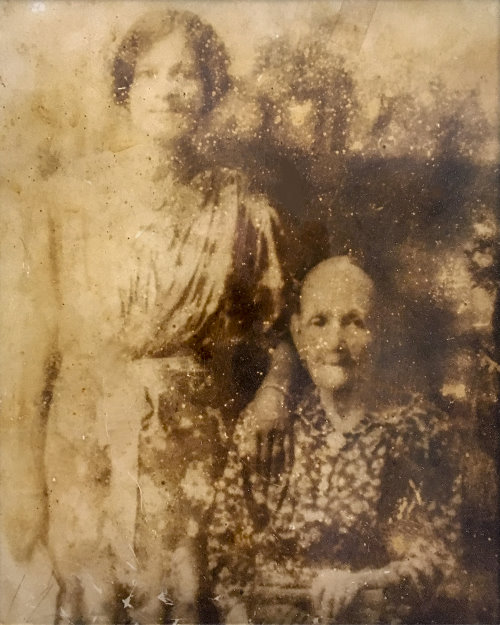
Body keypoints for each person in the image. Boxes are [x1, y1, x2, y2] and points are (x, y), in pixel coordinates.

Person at [1, 9, 291, 624]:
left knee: (180, 595)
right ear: (127, 88)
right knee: (92, 596)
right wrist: (19, 469)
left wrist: (274, 391)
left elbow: (276, 331)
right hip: (83, 426)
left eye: (186, 74)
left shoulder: (237, 201)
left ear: (210, 89)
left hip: (186, 430)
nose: (170, 90)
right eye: (152, 73)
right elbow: (30, 346)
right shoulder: (66, 198)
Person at [208, 256, 465, 624]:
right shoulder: (268, 428)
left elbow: (439, 557)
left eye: (355, 322)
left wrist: (363, 582)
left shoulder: (418, 430)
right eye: (320, 322)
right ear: (297, 334)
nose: (334, 342)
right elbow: (226, 551)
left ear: (381, 333)